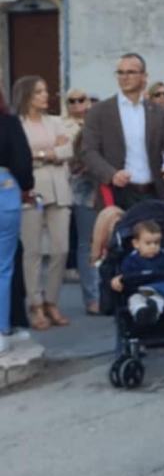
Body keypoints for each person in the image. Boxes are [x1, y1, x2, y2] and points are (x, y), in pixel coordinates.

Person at [82, 53, 164, 210]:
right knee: (120, 234)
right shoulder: (100, 111)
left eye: (130, 72)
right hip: (118, 193)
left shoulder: (157, 112)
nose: (124, 77)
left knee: (156, 234)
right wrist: (111, 174)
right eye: (120, 72)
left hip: (154, 191)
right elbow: (89, 152)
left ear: (144, 76)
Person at [13, 76, 74, 330]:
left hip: (59, 190)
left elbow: (69, 150)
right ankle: (35, 304)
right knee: (33, 251)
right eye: (39, 91)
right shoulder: (18, 124)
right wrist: (48, 153)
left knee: (61, 248)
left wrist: (46, 153)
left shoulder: (56, 121)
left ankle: (51, 300)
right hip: (31, 191)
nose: (45, 95)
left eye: (46, 90)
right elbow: (20, 155)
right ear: (27, 95)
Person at [0, 87, 33, 355]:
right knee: (3, 266)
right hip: (4, 190)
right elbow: (23, 163)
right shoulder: (9, 123)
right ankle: (2, 329)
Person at [110, 220, 164, 325]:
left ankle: (152, 312)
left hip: (159, 291)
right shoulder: (130, 260)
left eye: (157, 243)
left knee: (158, 300)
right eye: (148, 243)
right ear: (136, 244)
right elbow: (123, 275)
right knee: (134, 301)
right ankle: (141, 313)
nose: (153, 247)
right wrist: (118, 279)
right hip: (138, 291)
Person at [63, 89, 100, 314]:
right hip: (85, 192)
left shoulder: (107, 132)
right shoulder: (76, 132)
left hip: (107, 191)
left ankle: (108, 292)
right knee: (87, 244)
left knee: (106, 243)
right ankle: (92, 297)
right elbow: (75, 164)